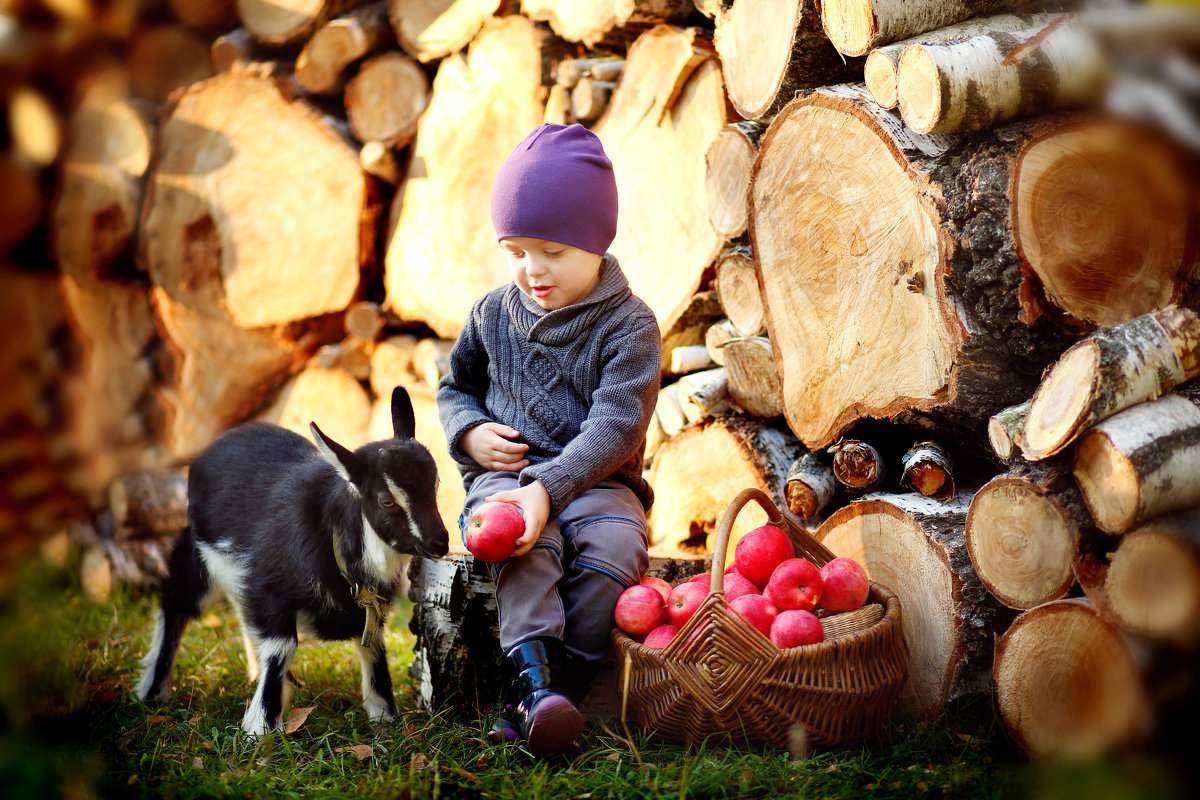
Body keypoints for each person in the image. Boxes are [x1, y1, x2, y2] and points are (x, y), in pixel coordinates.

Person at [437, 123, 661, 757]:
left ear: (596, 241)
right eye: (516, 251)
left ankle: (558, 688)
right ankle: (535, 689)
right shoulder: (490, 315)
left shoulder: (629, 325)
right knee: (521, 544)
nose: (532, 270)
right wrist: (471, 432)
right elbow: (456, 389)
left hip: (597, 484)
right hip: (506, 480)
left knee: (612, 548)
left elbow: (617, 425)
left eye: (553, 251)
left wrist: (552, 487)